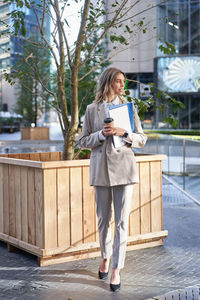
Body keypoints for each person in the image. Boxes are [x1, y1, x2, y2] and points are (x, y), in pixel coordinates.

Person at [79, 67, 147, 292]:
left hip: (124, 170)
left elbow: (141, 138)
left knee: (121, 222)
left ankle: (116, 269)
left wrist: (124, 133)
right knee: (103, 220)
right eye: (118, 81)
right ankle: (105, 257)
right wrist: (101, 134)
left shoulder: (128, 108)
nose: (122, 86)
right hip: (100, 171)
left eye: (123, 82)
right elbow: (83, 142)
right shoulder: (91, 110)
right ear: (108, 82)